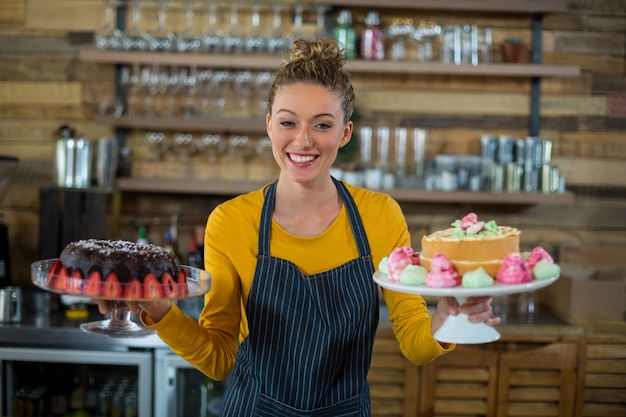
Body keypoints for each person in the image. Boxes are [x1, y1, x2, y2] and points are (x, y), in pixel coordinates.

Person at [99, 37, 500, 416]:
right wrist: (158, 310)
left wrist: (449, 316)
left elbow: (414, 342)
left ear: (345, 133)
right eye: (289, 123)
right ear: (270, 125)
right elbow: (220, 358)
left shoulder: (381, 216)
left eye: (322, 125)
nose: (303, 140)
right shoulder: (231, 221)